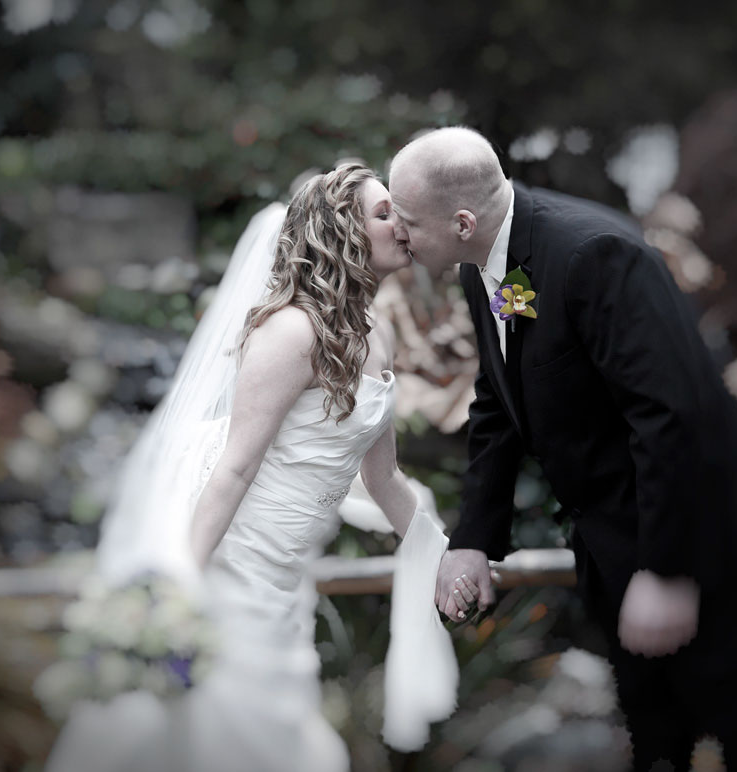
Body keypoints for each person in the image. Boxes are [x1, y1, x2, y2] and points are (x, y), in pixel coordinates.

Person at [388, 127, 737, 772]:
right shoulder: (493, 262)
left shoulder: (592, 253)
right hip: (618, 546)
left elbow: (670, 417)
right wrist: (474, 537)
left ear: (463, 220)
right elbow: (501, 400)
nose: (399, 236)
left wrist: (667, 571)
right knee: (657, 744)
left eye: (410, 221)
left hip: (705, 544)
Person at [45, 162, 457, 772]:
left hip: (286, 584)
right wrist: (181, 584)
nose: (401, 225)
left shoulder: (375, 337)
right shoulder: (289, 333)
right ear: (343, 231)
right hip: (235, 576)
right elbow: (234, 469)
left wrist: (442, 554)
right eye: (383, 212)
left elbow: (382, 478)